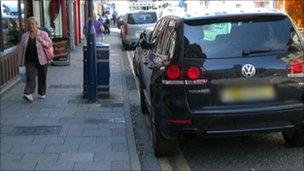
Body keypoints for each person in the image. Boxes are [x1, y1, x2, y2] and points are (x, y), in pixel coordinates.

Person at [18, 16, 53, 103]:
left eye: (33, 24)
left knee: (42, 77)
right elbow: (21, 50)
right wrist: (20, 62)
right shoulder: (24, 36)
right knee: (30, 77)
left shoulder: (43, 34)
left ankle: (41, 92)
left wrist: (42, 41)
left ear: (37, 24)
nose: (31, 26)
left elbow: (49, 44)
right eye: (29, 24)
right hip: (29, 60)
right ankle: (28, 94)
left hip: (42, 59)